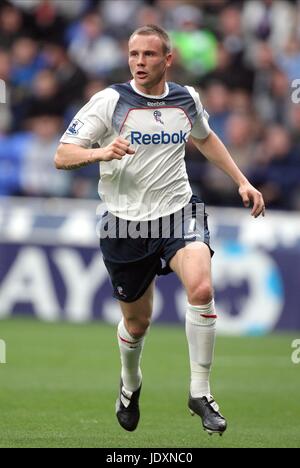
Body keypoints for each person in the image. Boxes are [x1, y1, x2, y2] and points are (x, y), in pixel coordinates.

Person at [55, 24, 265, 436]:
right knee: (137, 324)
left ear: (167, 59)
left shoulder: (186, 99)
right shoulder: (110, 101)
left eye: (149, 55)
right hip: (124, 222)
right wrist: (101, 151)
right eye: (134, 55)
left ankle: (200, 392)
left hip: (178, 211)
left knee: (202, 289)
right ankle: (130, 385)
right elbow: (62, 155)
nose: (139, 62)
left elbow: (205, 139)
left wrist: (242, 180)